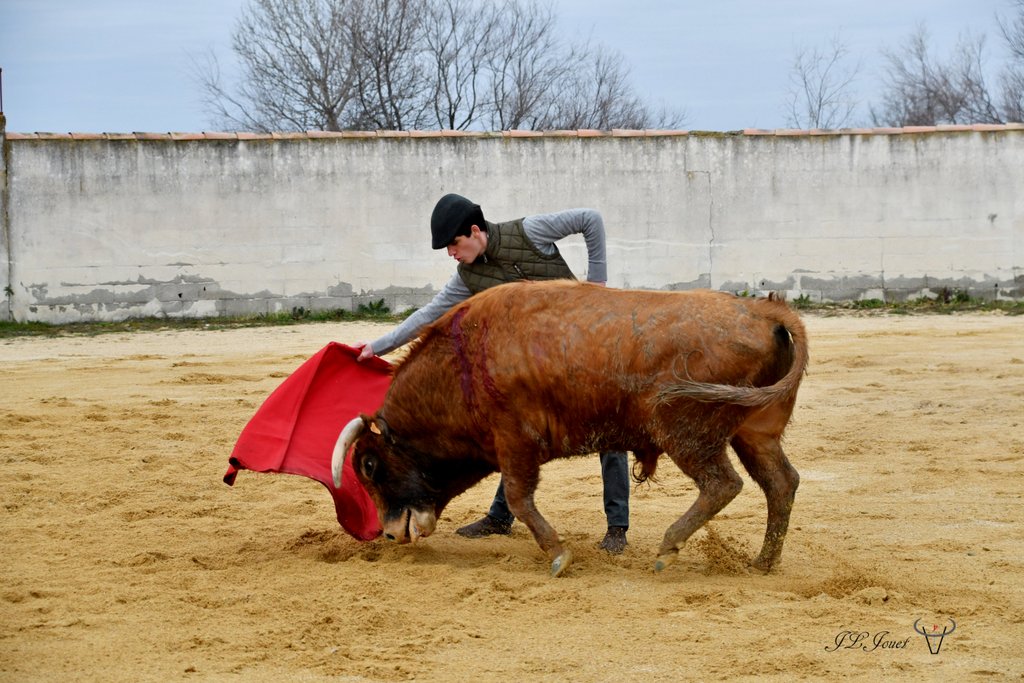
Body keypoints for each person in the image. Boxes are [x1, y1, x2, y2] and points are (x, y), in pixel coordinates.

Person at [354, 193, 630, 553]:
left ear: (474, 231)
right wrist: (377, 347)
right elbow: (428, 316)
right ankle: (500, 518)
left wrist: (597, 288)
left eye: (454, 244)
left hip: (581, 347)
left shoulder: (529, 232)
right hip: (533, 369)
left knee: (609, 430)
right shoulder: (467, 277)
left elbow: (590, 219)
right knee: (511, 431)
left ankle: (617, 528)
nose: (451, 253)